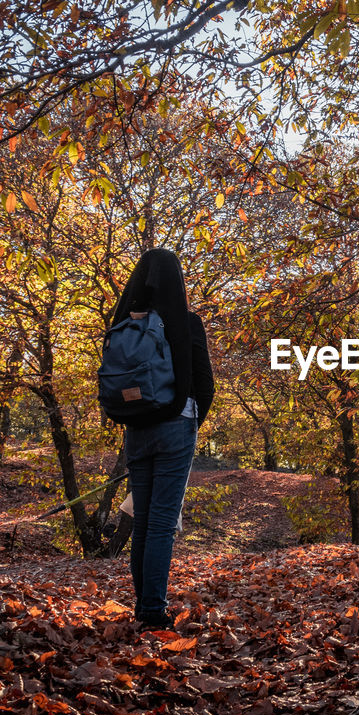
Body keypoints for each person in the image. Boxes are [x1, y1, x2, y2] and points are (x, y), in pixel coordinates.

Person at [108, 248, 214, 628]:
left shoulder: (123, 322)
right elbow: (205, 384)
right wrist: (188, 418)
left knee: (143, 522)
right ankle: (152, 611)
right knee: (162, 524)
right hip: (176, 426)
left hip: (135, 429)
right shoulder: (186, 323)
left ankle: (145, 605)